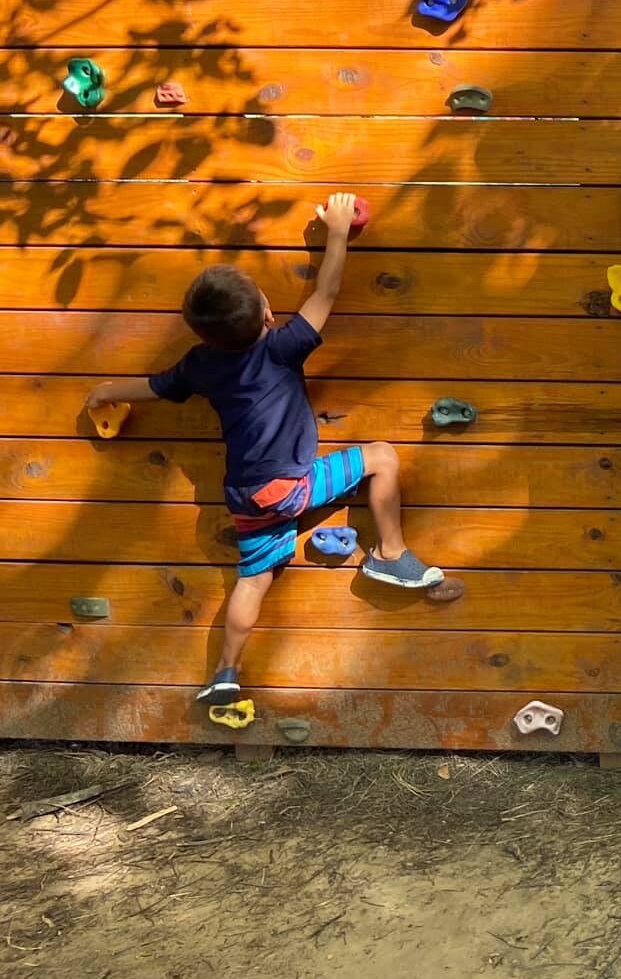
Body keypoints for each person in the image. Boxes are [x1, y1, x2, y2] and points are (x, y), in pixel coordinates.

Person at [85, 192, 443, 703]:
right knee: (382, 456)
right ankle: (390, 553)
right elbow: (327, 290)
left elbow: (156, 386)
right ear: (269, 314)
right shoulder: (281, 349)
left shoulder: (199, 364)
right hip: (289, 487)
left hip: (246, 497)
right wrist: (338, 231)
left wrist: (104, 391)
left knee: (252, 582)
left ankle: (225, 674)